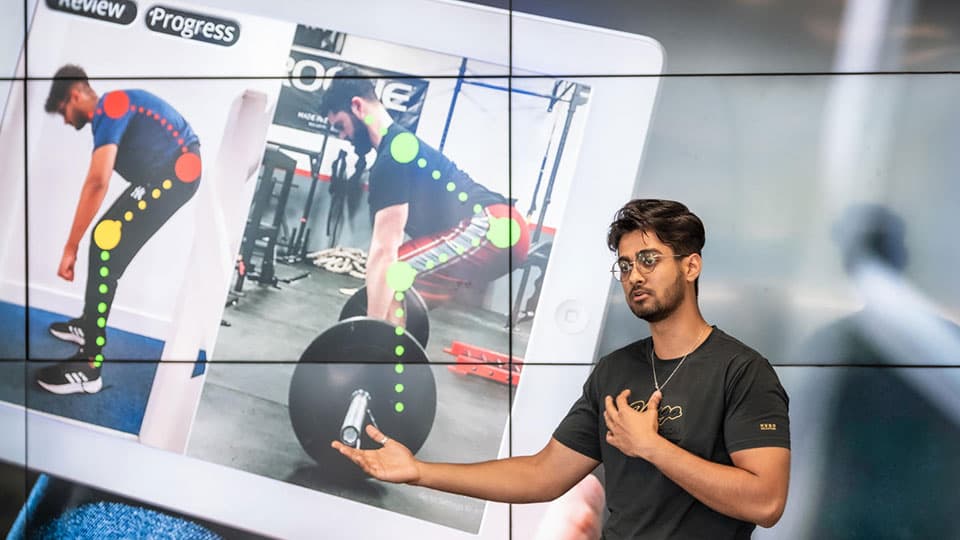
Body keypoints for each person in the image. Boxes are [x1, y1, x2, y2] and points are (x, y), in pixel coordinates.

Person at [332, 199, 791, 539]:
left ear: (691, 266)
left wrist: (652, 447)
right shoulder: (617, 371)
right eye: (625, 265)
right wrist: (420, 471)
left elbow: (766, 501)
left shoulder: (743, 372)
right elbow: (542, 473)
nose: (634, 275)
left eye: (649, 260)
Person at [36, 64, 202, 395]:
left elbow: (98, 181)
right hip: (168, 174)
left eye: (64, 112)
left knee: (104, 244)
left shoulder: (111, 107)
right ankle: (87, 326)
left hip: (178, 173)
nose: (67, 122)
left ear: (75, 94)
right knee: (105, 243)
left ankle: (89, 367)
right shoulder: (114, 109)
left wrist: (71, 247)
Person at [318, 68, 529, 323]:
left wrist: (369, 332)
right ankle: (391, 350)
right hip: (504, 231)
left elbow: (384, 250)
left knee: (392, 274)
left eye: (340, 125)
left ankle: (376, 346)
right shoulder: (398, 148)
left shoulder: (393, 156)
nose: (342, 136)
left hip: (495, 228)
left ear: (357, 106)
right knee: (400, 298)